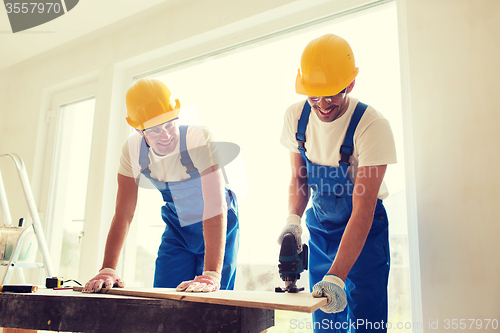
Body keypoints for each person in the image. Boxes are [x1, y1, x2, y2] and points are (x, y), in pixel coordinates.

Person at [278, 34, 397, 331]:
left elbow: (364, 207)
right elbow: (299, 177)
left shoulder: (372, 126)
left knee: (366, 321)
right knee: (325, 319)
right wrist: (294, 220)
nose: (322, 104)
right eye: (314, 95)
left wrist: (337, 275)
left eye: (330, 93)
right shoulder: (296, 118)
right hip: (320, 229)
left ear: (350, 84)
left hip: (364, 230)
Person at [83, 79, 239, 293]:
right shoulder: (133, 151)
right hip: (178, 228)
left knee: (214, 304)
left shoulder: (197, 138)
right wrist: (107, 268)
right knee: (163, 299)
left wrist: (211, 273)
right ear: (139, 130)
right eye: (155, 130)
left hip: (218, 223)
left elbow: (214, 204)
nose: (166, 135)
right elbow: (124, 213)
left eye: (169, 124)